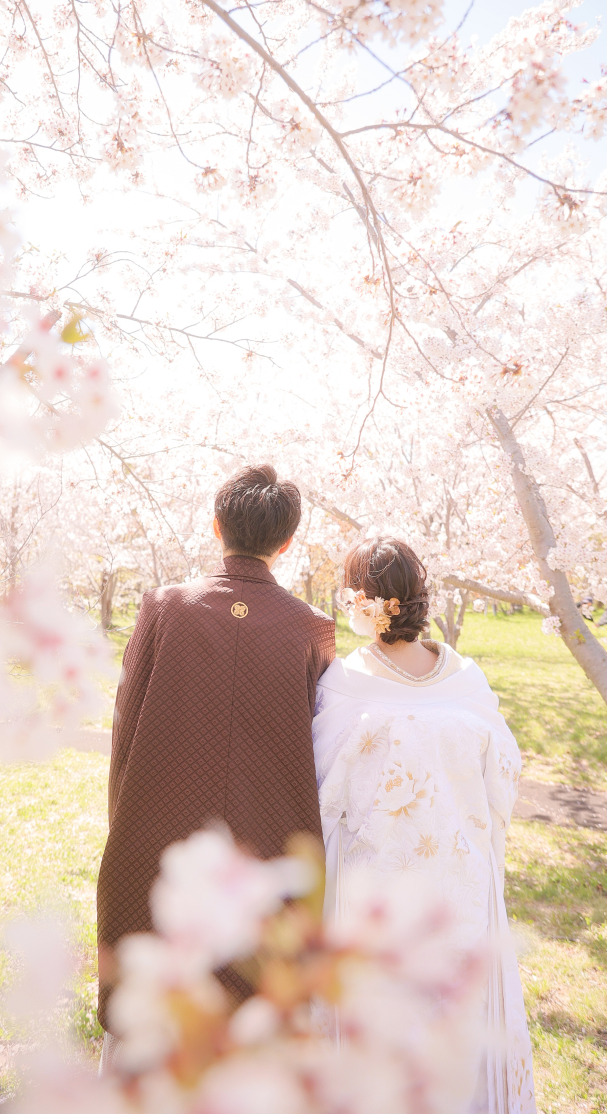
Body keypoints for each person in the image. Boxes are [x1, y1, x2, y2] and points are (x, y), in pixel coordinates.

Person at [97, 464, 336, 1066]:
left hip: (160, 825)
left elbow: (125, 719)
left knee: (152, 1005)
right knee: (255, 1016)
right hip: (270, 837)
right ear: (285, 543)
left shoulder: (163, 606)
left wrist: (121, 816)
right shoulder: (313, 629)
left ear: (215, 526)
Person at [313, 537, 536, 1114]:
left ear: (363, 603)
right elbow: (501, 782)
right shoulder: (466, 678)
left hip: (375, 885)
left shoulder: (343, 681)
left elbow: (320, 791)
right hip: (459, 881)